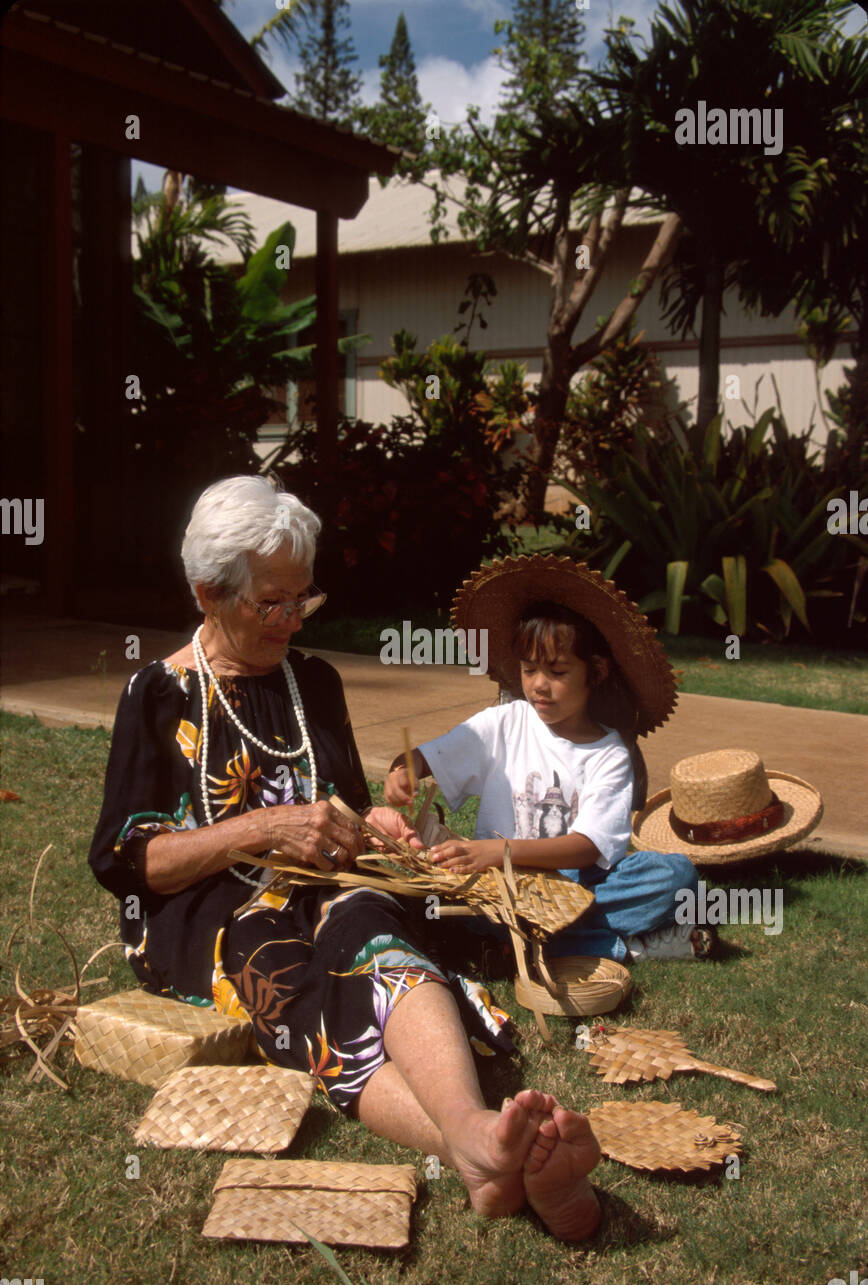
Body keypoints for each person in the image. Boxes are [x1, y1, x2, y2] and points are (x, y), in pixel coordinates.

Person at [88, 476, 601, 1242]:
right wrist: (261, 828)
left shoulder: (314, 683)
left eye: (305, 599)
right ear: (208, 593)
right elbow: (136, 865)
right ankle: (480, 1145)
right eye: (272, 602)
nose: (293, 619)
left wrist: (379, 825)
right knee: (285, 970)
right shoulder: (160, 694)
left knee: (373, 929)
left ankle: (474, 1138)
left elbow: (344, 810)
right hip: (211, 912)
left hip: (329, 888)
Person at [385, 555, 709, 962]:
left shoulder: (609, 753)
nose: (539, 685)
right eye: (528, 669)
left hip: (571, 883)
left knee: (674, 877)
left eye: (557, 672)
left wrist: (499, 851)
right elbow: (419, 758)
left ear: (596, 671)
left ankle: (520, 944)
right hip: (496, 884)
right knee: (437, 907)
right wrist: (403, 771)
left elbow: (587, 847)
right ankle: (616, 946)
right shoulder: (504, 723)